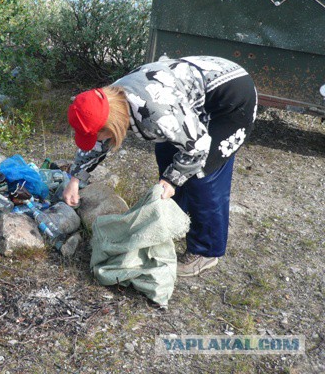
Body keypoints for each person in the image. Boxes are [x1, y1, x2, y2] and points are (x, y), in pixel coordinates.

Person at [63, 55, 257, 277]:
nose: (100, 139)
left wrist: (172, 179)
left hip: (231, 98)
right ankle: (176, 220)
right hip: (191, 94)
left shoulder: (155, 112)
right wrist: (76, 179)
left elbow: (199, 146)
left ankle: (206, 250)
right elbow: (97, 140)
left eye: (103, 133)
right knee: (167, 154)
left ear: (113, 124)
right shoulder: (106, 102)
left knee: (203, 174)